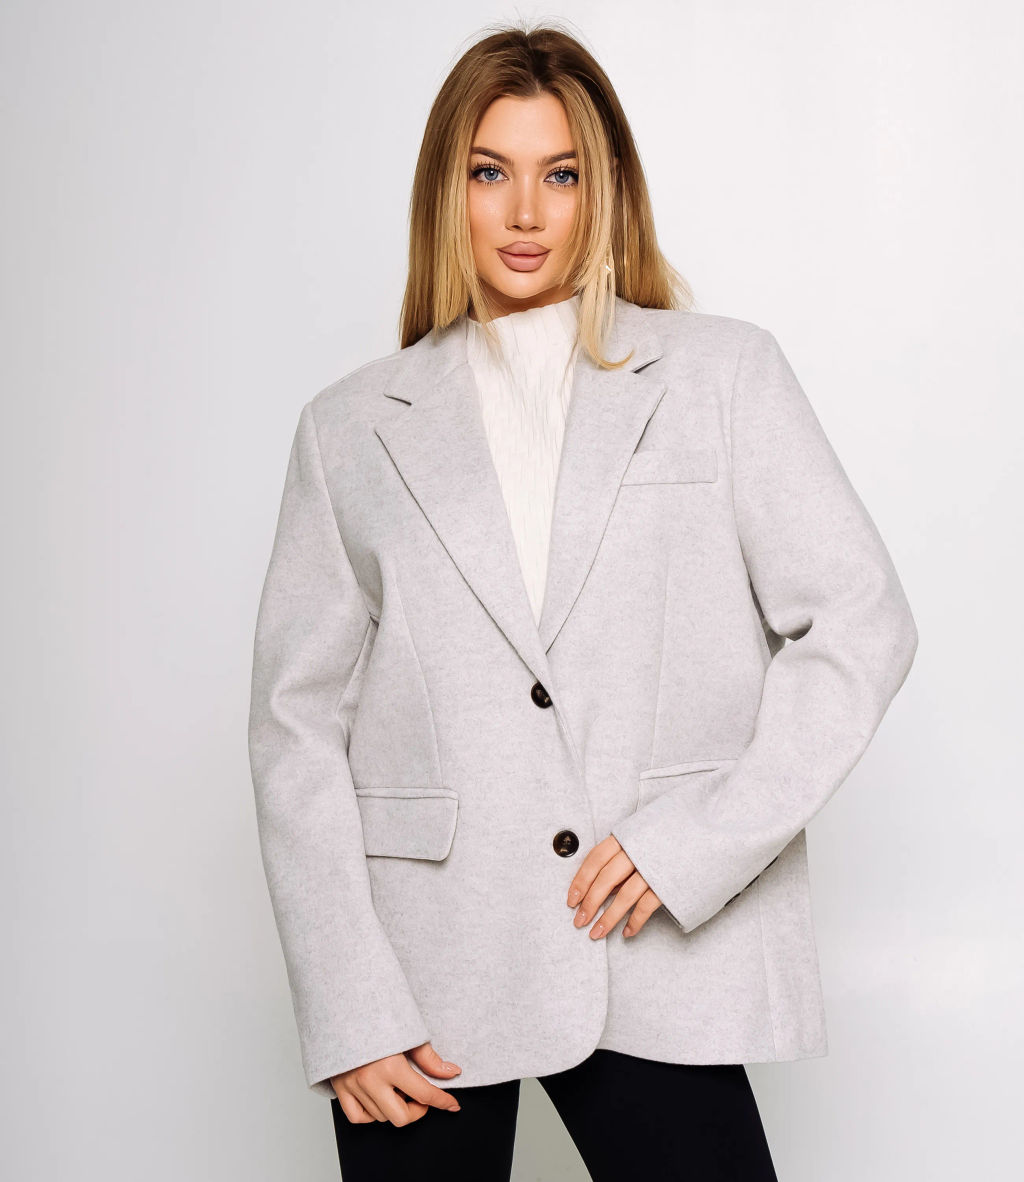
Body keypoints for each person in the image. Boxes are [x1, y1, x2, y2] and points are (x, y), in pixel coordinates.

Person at [247, 21, 918, 1182]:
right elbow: (294, 724)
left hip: (653, 940)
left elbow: (861, 624)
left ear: (603, 189)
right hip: (424, 971)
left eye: (559, 174)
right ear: (445, 190)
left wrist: (698, 841)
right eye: (489, 173)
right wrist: (345, 1003)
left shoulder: (722, 375)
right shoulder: (347, 430)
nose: (525, 212)